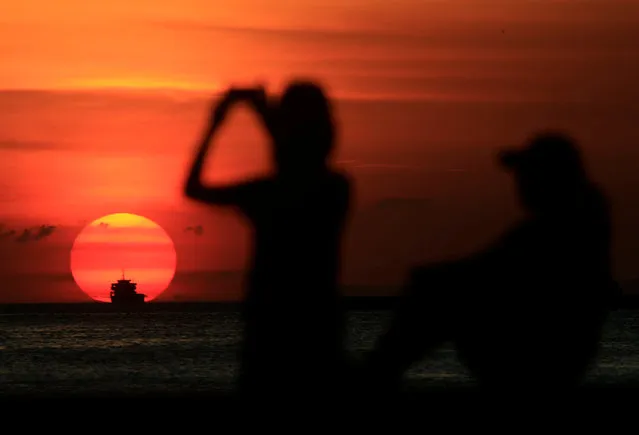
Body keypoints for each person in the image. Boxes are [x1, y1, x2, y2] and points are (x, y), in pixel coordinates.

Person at [362, 131, 617, 392]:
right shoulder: (574, 218)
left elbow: (487, 269)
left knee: (432, 289)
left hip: (546, 357)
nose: (519, 182)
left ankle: (374, 377)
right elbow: (489, 266)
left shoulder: (559, 227)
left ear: (548, 177)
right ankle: (377, 373)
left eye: (528, 173)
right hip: (553, 350)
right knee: (435, 286)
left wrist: (429, 280)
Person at [184, 81, 352, 399]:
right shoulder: (336, 188)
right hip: (320, 331)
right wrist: (265, 115)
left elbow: (194, 188)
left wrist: (216, 123)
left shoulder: (264, 193)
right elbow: (298, 159)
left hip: (268, 335)